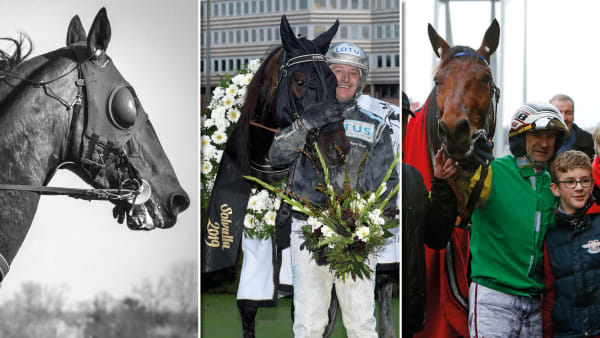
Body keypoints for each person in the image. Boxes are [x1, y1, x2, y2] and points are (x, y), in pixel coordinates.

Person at [268, 41, 397, 337]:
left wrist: (360, 222)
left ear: (361, 80)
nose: (345, 78)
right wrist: (304, 125)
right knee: (309, 324)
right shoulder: (305, 119)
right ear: (326, 76)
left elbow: (388, 186)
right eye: (338, 70)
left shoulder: (376, 126)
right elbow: (275, 158)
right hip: (307, 231)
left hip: (357, 235)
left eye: (353, 73)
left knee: (360, 323)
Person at [452, 103, 568, 337]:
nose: (544, 143)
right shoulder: (492, 171)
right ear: (519, 138)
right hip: (494, 297)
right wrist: (463, 165)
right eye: (536, 135)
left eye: (550, 136)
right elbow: (457, 202)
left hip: (535, 303)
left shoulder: (555, 185)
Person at [401, 91, 458, 336]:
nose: (399, 126)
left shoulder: (412, 177)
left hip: (408, 311)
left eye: (403, 119)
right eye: (394, 120)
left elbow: (435, 236)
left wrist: (442, 184)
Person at [541, 150, 598, 338]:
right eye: (570, 181)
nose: (579, 187)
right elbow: (549, 294)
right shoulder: (551, 235)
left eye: (585, 180)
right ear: (555, 189)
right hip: (568, 333)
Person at [549, 94, 594, 159]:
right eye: (558, 113)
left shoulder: (590, 142)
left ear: (573, 115)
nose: (564, 118)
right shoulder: (541, 142)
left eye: (568, 113)